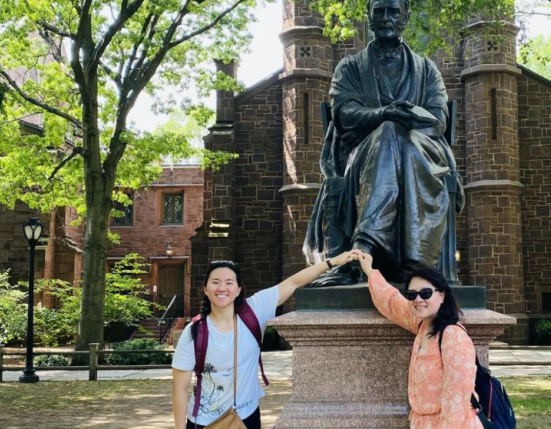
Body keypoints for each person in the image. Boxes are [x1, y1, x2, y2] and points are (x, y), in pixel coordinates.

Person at [303, 0, 464, 285]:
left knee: (396, 134)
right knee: (388, 130)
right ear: (369, 17)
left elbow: (438, 119)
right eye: (379, 11)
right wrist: (383, 115)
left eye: (393, 11)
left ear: (405, 17)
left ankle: (364, 245)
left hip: (421, 152)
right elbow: (343, 113)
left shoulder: (427, 70)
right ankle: (413, 261)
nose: (386, 17)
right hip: (363, 155)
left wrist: (406, 121)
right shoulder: (350, 68)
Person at [172, 251, 360, 429]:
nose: (222, 288)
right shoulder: (194, 332)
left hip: (246, 416)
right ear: (205, 289)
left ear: (238, 290)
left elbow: (293, 282)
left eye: (229, 282)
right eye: (215, 282)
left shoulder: (255, 310)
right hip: (205, 422)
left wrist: (332, 262)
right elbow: (180, 388)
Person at [358, 251, 482, 429]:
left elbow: (456, 401)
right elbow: (392, 302)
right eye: (411, 294)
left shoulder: (452, 336)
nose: (418, 299)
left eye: (425, 293)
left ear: (441, 295)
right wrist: (370, 271)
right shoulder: (422, 325)